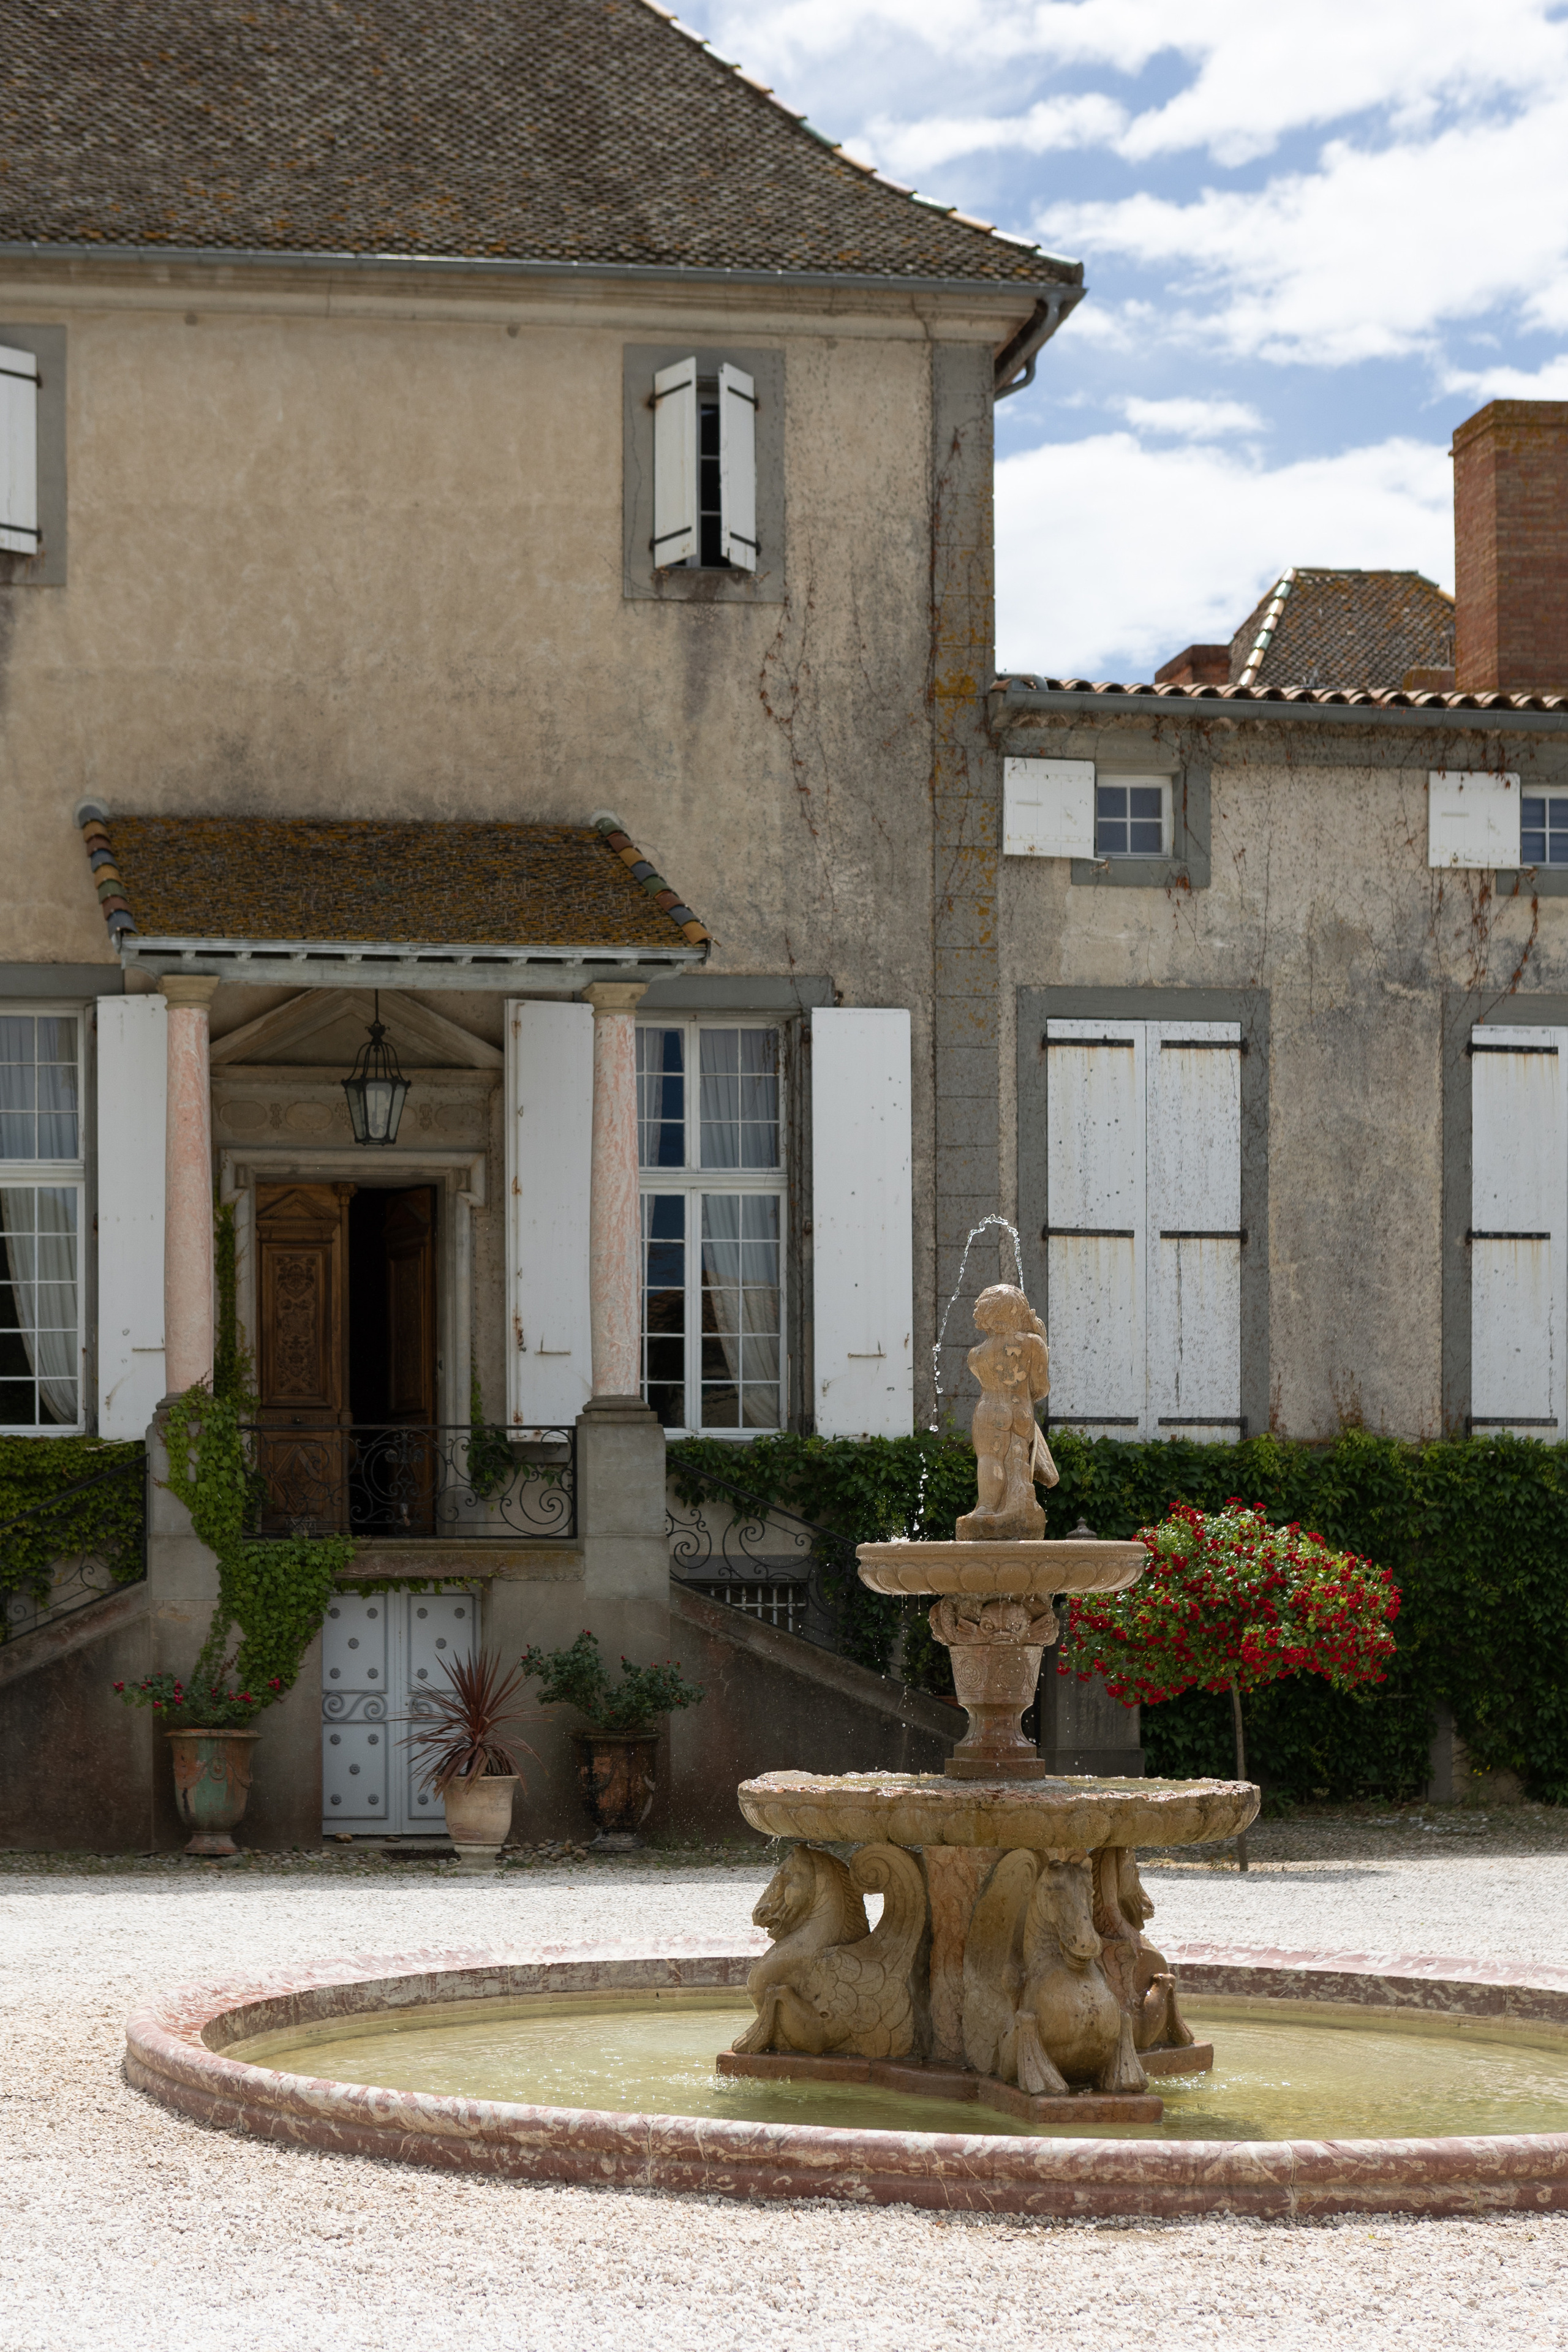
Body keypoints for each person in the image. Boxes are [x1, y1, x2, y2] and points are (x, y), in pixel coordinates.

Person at [956, 1284, 1059, 1542]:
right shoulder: (1034, 1344)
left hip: (990, 1410)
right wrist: (1041, 1341)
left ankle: (987, 1508)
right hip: (1021, 1411)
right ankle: (1017, 1506)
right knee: (1017, 1461)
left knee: (990, 1459)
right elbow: (1041, 1389)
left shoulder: (976, 1355)